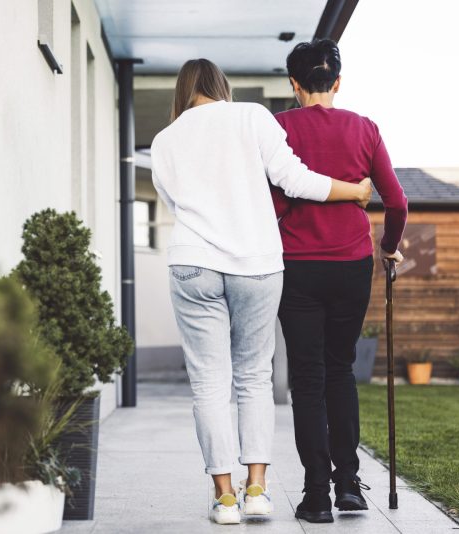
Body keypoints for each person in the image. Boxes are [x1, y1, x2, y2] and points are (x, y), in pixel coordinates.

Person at [149, 58, 373, 525]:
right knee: (253, 378)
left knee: (209, 383)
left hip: (193, 262)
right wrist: (352, 191)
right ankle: (257, 491)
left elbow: (173, 203)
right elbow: (293, 180)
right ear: (221, 85)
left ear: (183, 91)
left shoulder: (165, 139)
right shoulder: (253, 117)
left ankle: (224, 498)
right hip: (256, 263)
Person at [271, 39, 408, 524]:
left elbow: (275, 202)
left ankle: (315, 496)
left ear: (294, 84)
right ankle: (348, 484)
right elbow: (398, 203)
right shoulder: (365, 128)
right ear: (337, 82)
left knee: (306, 379)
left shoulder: (280, 127)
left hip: (298, 267)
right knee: (340, 370)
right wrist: (389, 246)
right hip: (352, 266)